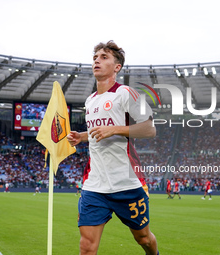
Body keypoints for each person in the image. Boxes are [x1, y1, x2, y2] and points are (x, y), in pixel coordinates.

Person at [67, 40, 159, 255]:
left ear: (117, 67)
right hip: (94, 185)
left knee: (144, 238)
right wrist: (81, 136)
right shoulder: (90, 100)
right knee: (87, 246)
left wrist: (115, 129)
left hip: (126, 182)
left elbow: (149, 129)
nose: (97, 60)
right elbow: (98, 132)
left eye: (104, 57)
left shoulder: (127, 93)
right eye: (95, 57)